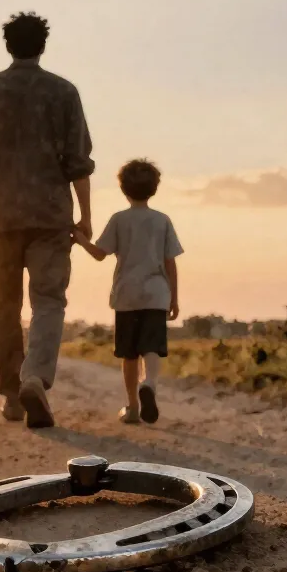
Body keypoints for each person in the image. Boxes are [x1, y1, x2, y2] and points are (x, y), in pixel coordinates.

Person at [0, 12, 95, 429]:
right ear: (43, 45)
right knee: (48, 301)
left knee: (5, 306)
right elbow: (79, 163)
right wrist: (86, 215)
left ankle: (14, 397)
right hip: (51, 214)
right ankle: (35, 376)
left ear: (8, 45)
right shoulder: (64, 92)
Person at [72, 159, 182, 424]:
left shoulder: (119, 219)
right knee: (152, 347)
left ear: (123, 188)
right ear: (154, 187)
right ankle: (151, 383)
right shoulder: (162, 220)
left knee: (129, 354)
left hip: (126, 294)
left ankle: (132, 407)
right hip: (156, 292)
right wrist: (174, 297)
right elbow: (170, 262)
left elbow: (100, 254)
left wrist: (80, 239)